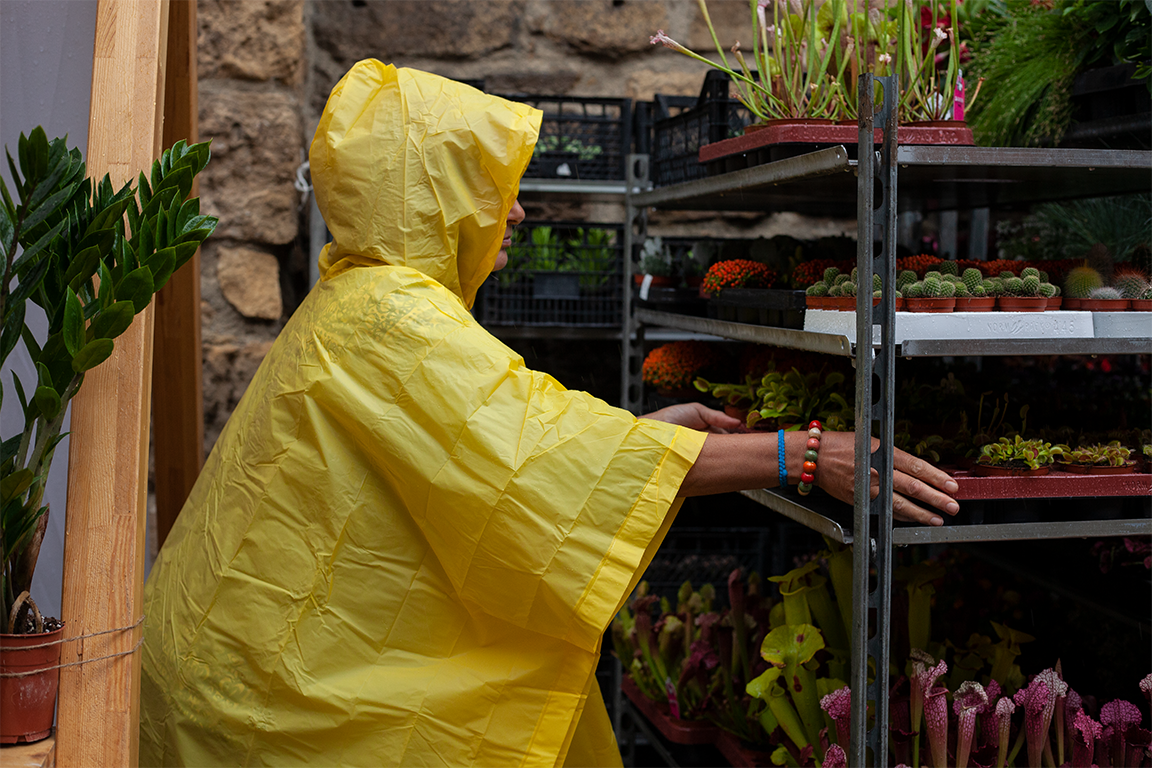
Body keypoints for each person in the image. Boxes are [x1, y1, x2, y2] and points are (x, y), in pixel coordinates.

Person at [140, 59, 959, 767]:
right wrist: (806, 454)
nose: (521, 212)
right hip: (279, 713)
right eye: (494, 189)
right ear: (434, 199)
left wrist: (649, 441)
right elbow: (533, 461)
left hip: (243, 672)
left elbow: (511, 442)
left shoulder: (363, 299)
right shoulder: (392, 317)